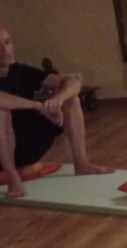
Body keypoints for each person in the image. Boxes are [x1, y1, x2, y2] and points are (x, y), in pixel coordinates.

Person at [0, 26, 111, 198]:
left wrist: (58, 99)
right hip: (2, 150)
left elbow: (73, 82)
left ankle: (81, 163)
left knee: (71, 99)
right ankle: (12, 178)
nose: (4, 50)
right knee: (2, 112)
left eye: (7, 43)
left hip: (26, 143)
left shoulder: (21, 71)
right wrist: (38, 106)